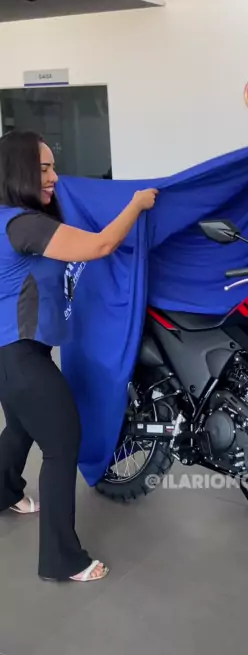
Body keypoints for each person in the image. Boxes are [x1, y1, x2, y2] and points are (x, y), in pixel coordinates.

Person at [0, 130, 158, 582]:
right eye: (44, 168)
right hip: (20, 357)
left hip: (11, 354)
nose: (54, 176)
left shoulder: (10, 218)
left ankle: (3, 491)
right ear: (20, 171)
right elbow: (101, 245)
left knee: (21, 428)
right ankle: (61, 558)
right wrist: (135, 205)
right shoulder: (24, 225)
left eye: (53, 167)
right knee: (61, 443)